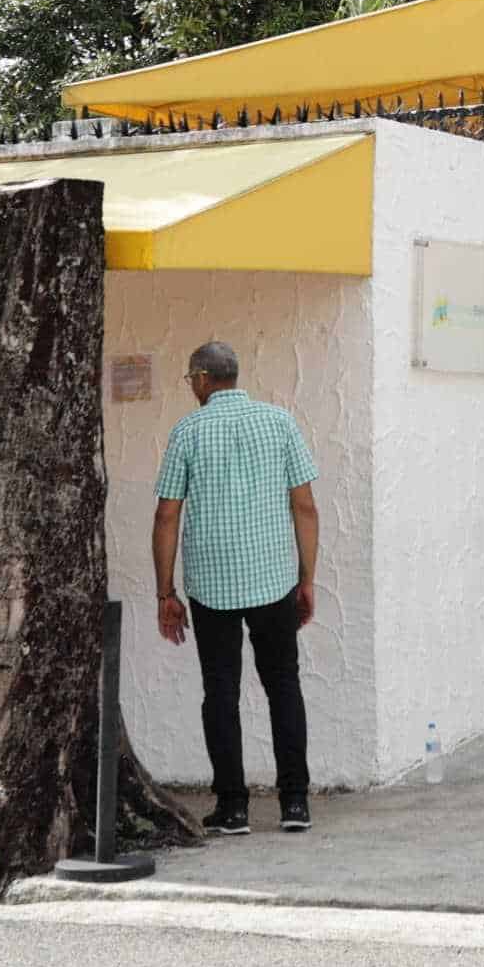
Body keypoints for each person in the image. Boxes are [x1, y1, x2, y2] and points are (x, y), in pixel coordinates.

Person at [151, 340, 318, 836]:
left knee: (219, 691)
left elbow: (166, 515)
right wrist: (306, 579)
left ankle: (233, 807)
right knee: (283, 686)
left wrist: (166, 592)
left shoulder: (187, 431)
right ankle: (294, 803)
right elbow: (305, 507)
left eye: (190, 380)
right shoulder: (281, 423)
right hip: (274, 582)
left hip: (212, 587)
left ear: (202, 379)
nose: (192, 388)